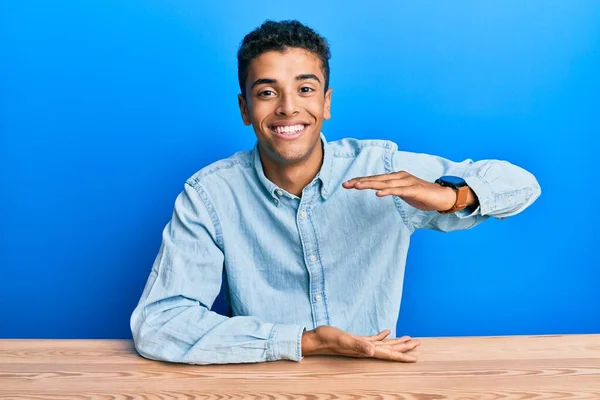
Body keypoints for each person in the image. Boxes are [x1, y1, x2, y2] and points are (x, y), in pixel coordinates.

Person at [130, 20, 541, 365]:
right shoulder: (211, 196)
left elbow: (523, 184)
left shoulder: (381, 169)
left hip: (375, 385)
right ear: (244, 109)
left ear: (326, 103)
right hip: (265, 385)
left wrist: (454, 197)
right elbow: (159, 324)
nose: (288, 108)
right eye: (267, 92)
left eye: (305, 89)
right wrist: (307, 340)